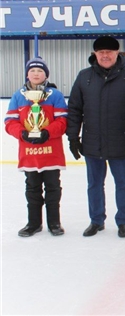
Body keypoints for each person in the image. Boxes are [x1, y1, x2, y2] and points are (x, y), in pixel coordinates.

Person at [67, 36, 125, 238]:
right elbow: (75, 110)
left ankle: (123, 221)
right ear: (95, 54)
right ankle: (96, 220)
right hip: (92, 143)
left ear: (117, 53)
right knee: (94, 184)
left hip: (120, 142)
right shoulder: (84, 77)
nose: (105, 55)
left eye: (109, 52)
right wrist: (73, 138)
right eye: (101, 52)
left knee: (123, 183)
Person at [5, 57, 68, 237]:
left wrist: (47, 132)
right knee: (32, 188)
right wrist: (22, 133)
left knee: (53, 188)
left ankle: (54, 223)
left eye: (40, 71)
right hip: (29, 152)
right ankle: (33, 223)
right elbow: (10, 122)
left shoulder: (55, 95)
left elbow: (63, 121)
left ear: (46, 74)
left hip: (51, 152)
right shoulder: (18, 95)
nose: (36, 74)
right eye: (32, 71)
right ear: (27, 74)